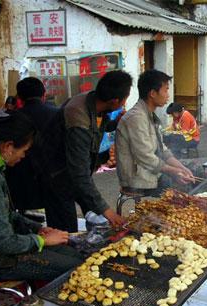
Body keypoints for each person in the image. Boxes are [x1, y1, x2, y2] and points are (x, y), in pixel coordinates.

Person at [0, 109, 82, 281]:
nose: (24, 156)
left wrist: (38, 229)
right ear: (8, 146)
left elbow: (5, 215)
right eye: (24, 150)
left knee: (74, 254)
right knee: (76, 267)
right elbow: (6, 243)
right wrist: (41, 241)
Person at [38, 71, 132, 232]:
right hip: (56, 174)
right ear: (115, 101)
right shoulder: (77, 117)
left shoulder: (96, 102)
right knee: (65, 229)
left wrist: (115, 122)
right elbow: (79, 173)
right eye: (125, 99)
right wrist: (108, 212)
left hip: (71, 171)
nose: (125, 103)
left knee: (92, 209)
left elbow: (99, 125)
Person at [115, 69, 195, 197]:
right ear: (152, 93)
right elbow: (145, 157)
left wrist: (181, 168)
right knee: (182, 191)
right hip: (137, 180)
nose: (168, 95)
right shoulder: (136, 118)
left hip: (151, 172)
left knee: (192, 172)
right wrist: (174, 172)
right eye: (165, 90)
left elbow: (162, 150)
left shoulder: (149, 115)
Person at [5, 77, 58, 211]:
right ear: (44, 94)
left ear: (20, 98)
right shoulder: (56, 113)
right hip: (53, 180)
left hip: (20, 185)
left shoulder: (12, 118)